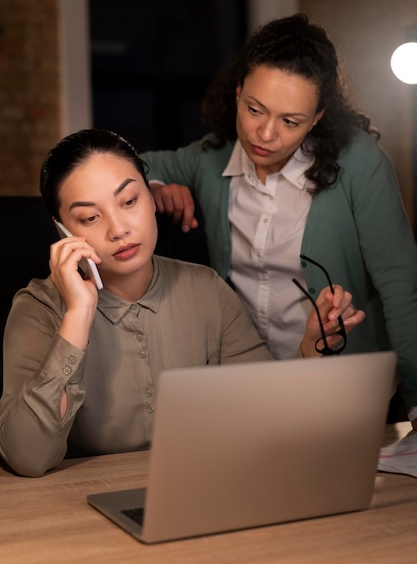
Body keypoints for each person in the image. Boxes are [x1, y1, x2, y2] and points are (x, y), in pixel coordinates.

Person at [0, 128, 363, 477]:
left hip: (204, 494)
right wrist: (78, 314)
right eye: (90, 217)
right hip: (81, 521)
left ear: (150, 194)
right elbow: (28, 456)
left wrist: (310, 348)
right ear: (63, 231)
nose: (118, 229)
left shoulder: (206, 289)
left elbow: (267, 420)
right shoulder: (38, 309)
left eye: (129, 201)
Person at [141, 13, 417, 428]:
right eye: (255, 109)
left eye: (290, 122)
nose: (265, 134)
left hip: (340, 386)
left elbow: (402, 287)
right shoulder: (210, 157)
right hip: (245, 385)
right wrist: (157, 185)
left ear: (319, 117)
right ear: (237, 92)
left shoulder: (360, 162)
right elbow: (130, 164)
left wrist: (416, 401)